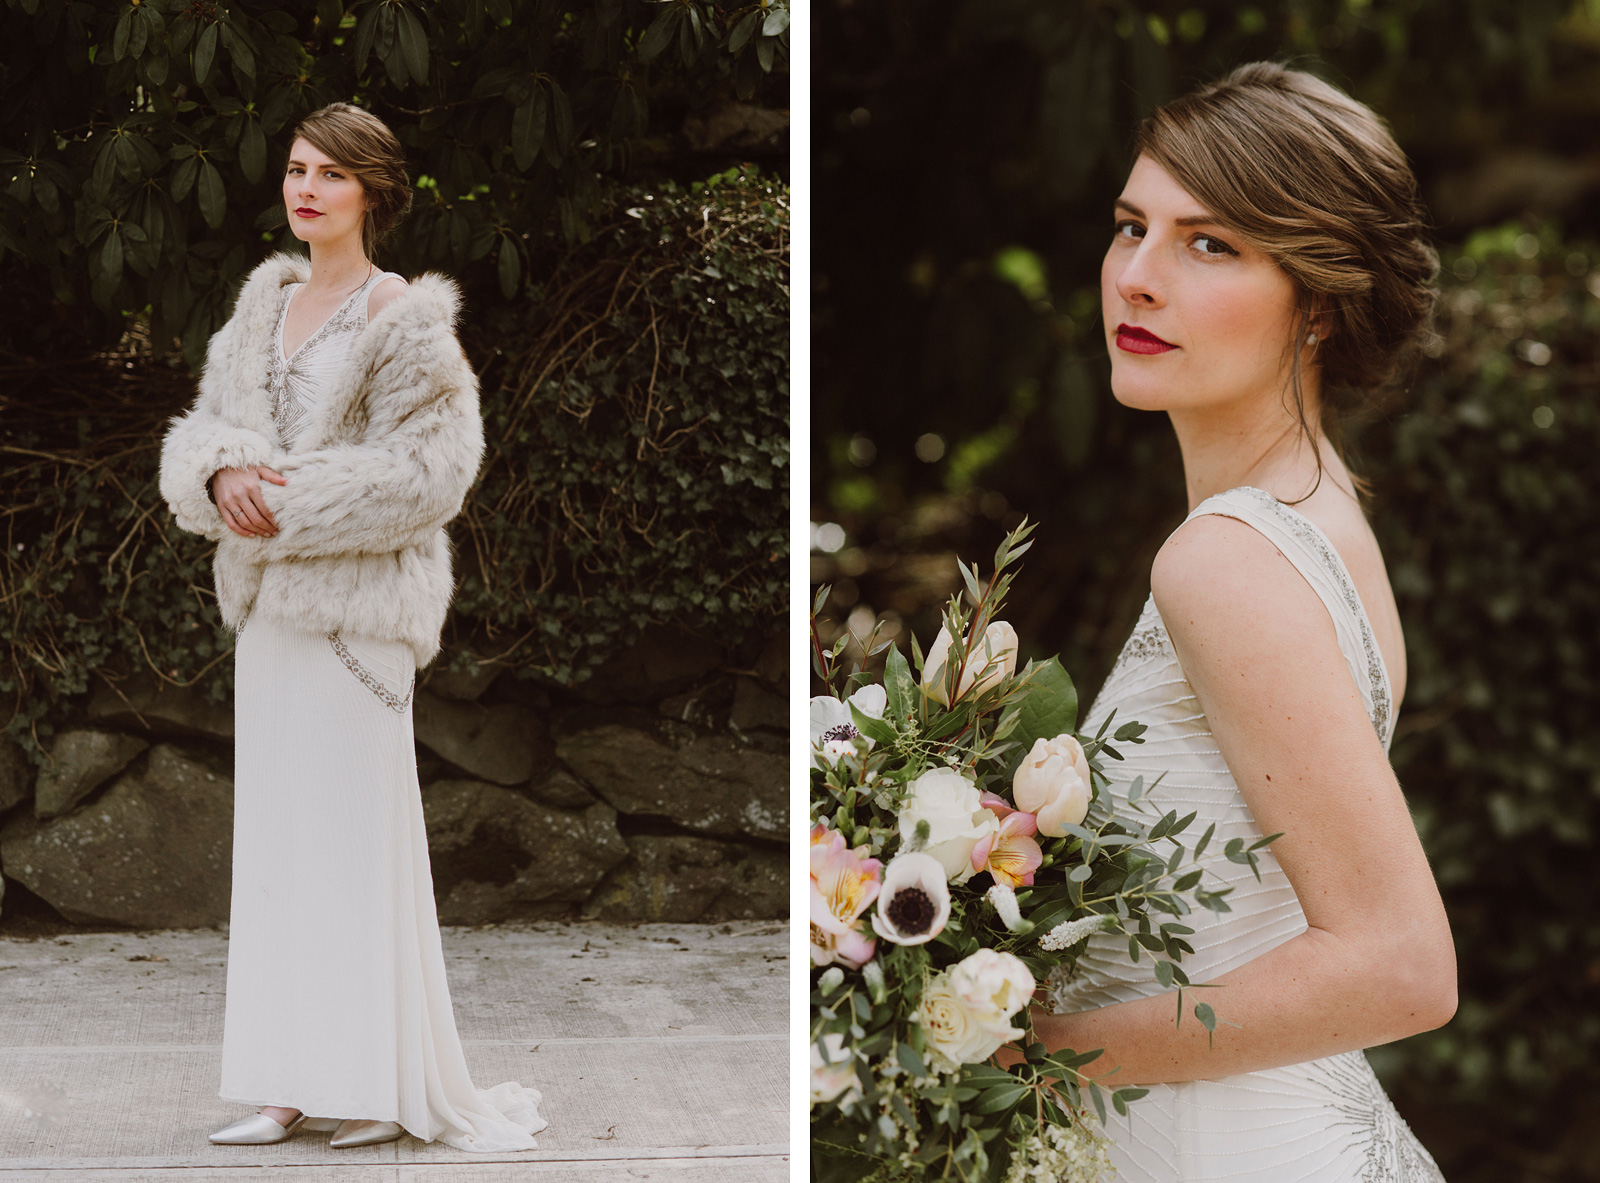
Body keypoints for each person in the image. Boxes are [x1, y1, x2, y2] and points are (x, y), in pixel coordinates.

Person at [1023, 64, 1455, 1180]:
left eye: (1209, 244)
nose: (1137, 279)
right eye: (1131, 228)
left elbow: (1400, 965)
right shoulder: (1321, 517)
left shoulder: (1225, 559)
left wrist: (1025, 1050)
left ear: (1317, 300)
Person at [157, 101, 547, 1152]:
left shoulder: (405, 321)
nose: (306, 188)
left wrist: (278, 502)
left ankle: (377, 1081)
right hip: (269, 620)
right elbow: (202, 429)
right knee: (280, 848)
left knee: (356, 847)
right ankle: (286, 1080)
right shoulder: (255, 312)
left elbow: (433, 473)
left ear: (372, 192)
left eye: (331, 174)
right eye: (295, 169)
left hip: (358, 619)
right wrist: (219, 470)